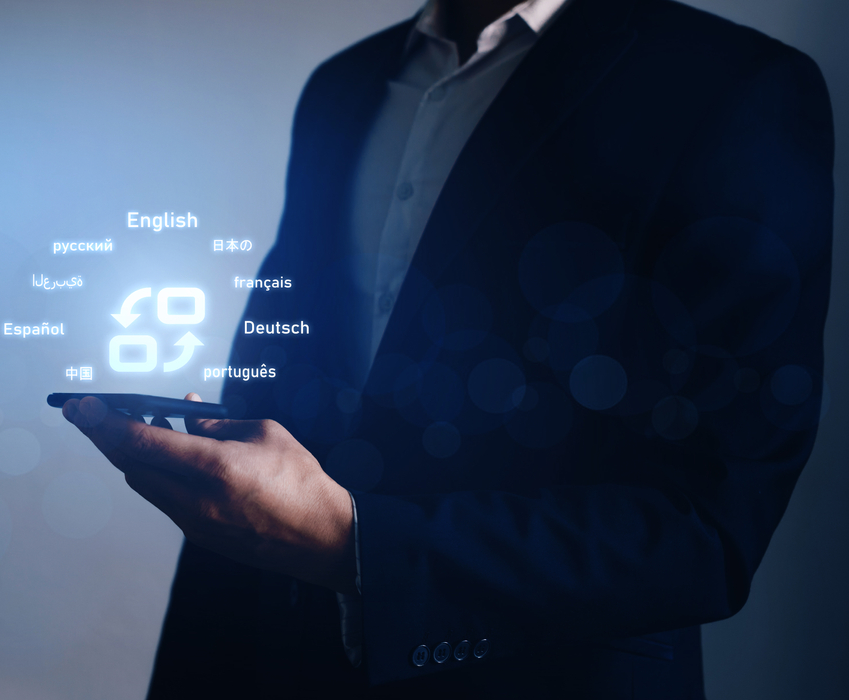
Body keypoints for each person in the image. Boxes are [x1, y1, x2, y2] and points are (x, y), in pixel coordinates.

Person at [62, 0, 834, 696]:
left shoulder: (737, 88)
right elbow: (276, 388)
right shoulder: (345, 85)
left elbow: (706, 532)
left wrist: (353, 546)